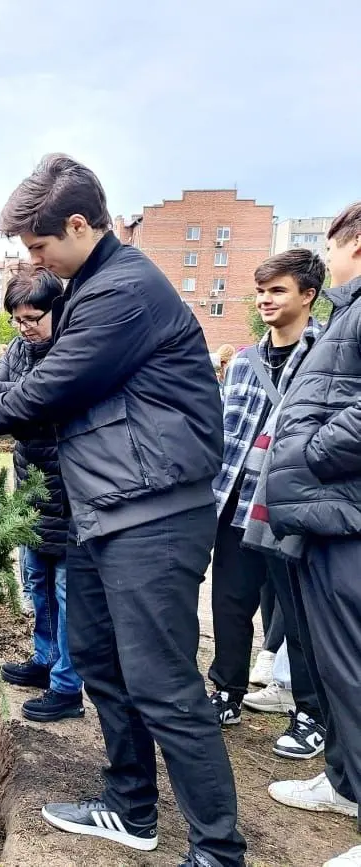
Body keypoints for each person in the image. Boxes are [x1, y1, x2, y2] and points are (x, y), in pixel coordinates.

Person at [0, 154, 245, 866]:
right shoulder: (89, 287)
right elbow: (49, 383)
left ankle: (220, 850)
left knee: (164, 683)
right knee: (102, 662)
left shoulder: (125, 290)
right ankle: (132, 808)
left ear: (79, 224)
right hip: (101, 508)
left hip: (153, 511)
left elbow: (55, 387)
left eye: (40, 246)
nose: (35, 260)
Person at [264, 201, 361, 867]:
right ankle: (348, 784)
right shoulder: (349, 311)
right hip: (322, 515)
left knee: (355, 673)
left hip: (344, 513)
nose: (328, 260)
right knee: (335, 672)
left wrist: (315, 452)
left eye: (336, 247)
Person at [207, 249, 326, 763]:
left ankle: (310, 714)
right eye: (261, 291)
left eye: (277, 290)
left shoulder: (327, 357)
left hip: (288, 507)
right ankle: (227, 693)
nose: (266, 300)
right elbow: (225, 434)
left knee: (298, 617)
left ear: (308, 295)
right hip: (236, 504)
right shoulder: (244, 363)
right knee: (230, 605)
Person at [0, 265, 83, 724]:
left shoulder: (73, 349)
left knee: (67, 591)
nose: (24, 328)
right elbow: (0, 396)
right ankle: (43, 661)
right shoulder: (19, 348)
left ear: (56, 310)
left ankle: (67, 686)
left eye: (33, 318)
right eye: (17, 320)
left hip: (68, 489)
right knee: (37, 583)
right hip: (29, 486)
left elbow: (36, 400)